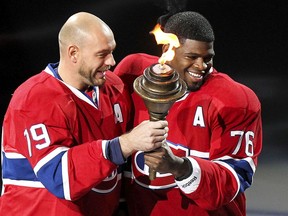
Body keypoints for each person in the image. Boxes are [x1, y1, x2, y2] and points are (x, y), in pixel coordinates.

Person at [0, 12, 168, 216]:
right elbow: (60, 178)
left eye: (112, 51)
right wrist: (126, 144)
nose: (112, 61)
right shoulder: (34, 99)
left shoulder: (113, 87)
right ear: (73, 54)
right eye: (102, 54)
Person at [114, 11, 262, 216]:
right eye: (192, 57)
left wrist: (179, 167)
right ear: (168, 49)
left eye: (207, 58)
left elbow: (234, 178)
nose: (201, 66)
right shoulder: (132, 75)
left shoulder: (235, 99)